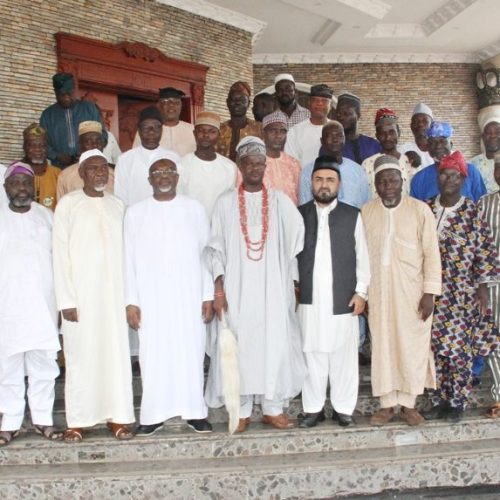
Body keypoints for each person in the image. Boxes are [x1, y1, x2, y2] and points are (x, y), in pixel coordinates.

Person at [205, 136, 306, 432]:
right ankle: (243, 409)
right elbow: (216, 249)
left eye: (260, 163)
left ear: (265, 166)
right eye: (249, 163)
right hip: (236, 289)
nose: (254, 168)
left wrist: (293, 283)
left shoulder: (279, 202)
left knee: (274, 343)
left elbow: (294, 246)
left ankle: (273, 408)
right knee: (240, 345)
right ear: (240, 166)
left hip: (273, 287)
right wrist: (219, 290)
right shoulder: (224, 203)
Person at [125, 155, 214, 435]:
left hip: (189, 296)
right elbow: (127, 259)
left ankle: (194, 412)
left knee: (191, 352)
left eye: (168, 171)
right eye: (157, 172)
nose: (163, 176)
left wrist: (207, 295)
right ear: (149, 180)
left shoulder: (195, 209)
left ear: (177, 177)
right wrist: (131, 301)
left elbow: (207, 256)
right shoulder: (135, 213)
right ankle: (153, 414)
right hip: (151, 299)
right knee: (153, 355)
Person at [53, 149, 135, 443]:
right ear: (82, 173)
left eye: (104, 169)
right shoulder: (68, 205)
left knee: (114, 355)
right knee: (80, 356)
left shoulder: (118, 205)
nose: (100, 173)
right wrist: (66, 301)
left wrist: (130, 298)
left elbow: (129, 255)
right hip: (80, 297)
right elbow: (59, 255)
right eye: (93, 169)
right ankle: (78, 420)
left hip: (114, 296)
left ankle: (119, 416)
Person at [362, 155, 442, 426]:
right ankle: (387, 405)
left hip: (413, 293)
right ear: (375, 184)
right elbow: (359, 257)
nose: (388, 186)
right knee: (383, 345)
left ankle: (408, 404)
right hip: (379, 292)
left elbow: (432, 254)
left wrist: (430, 292)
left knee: (411, 346)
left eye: (393, 180)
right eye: (382, 181)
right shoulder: (367, 212)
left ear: (402, 181)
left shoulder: (420, 210)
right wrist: (363, 294)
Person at [425, 151, 499, 423]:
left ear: (463, 179)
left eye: (455, 175)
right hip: (431, 291)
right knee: (434, 349)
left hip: (462, 292)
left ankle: (456, 401)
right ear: (438, 177)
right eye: (445, 174)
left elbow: (484, 250)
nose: (449, 180)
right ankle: (438, 399)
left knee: (458, 350)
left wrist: (481, 287)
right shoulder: (426, 207)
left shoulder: (471, 210)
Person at [297, 157, 370, 428]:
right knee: (312, 353)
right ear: (311, 183)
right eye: (318, 179)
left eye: (329, 180)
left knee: (343, 356)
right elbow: (291, 256)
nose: (324, 185)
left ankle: (343, 408)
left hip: (344, 297)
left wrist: (361, 292)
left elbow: (363, 257)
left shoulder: (353, 215)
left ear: (339, 184)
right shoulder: (300, 213)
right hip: (309, 299)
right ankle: (313, 409)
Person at [0, 162, 62, 447]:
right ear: (5, 188)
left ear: (34, 188)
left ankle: (42, 418)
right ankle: (10, 420)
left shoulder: (48, 217)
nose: (21, 188)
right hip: (7, 305)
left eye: (26, 183)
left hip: (42, 304)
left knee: (44, 365)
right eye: (15, 183)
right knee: (7, 366)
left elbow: (61, 261)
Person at [115, 106, 180, 207]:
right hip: (136, 217)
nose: (151, 132)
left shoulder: (173, 158)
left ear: (161, 130)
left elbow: (179, 190)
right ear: (139, 131)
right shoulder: (125, 159)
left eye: (156, 127)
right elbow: (120, 195)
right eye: (146, 128)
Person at [40, 72, 106, 168]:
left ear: (75, 90)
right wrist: (57, 156)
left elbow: (103, 136)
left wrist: (87, 152)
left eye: (69, 94)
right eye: (62, 95)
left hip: (89, 166)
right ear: (55, 93)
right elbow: (43, 143)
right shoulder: (47, 115)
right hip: (59, 168)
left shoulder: (89, 109)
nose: (66, 98)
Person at [178, 111, 237, 217]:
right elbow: (178, 201)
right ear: (194, 134)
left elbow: (231, 202)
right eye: (201, 131)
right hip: (190, 224)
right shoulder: (182, 165)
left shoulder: (229, 167)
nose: (206, 135)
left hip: (219, 228)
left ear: (219, 135)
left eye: (212, 131)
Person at [299, 121, 370, 209]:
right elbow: (305, 208)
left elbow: (366, 205)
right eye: (330, 136)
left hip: (352, 221)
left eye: (339, 136)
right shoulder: (308, 172)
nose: (335, 139)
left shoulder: (358, 170)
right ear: (322, 141)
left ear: (344, 139)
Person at [410, 121, 487, 202]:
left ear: (451, 144)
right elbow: (415, 210)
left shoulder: (470, 171)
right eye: (433, 142)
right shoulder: (420, 178)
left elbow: (482, 204)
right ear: (428, 148)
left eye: (442, 141)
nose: (438, 146)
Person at [479, 152, 500, 418]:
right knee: (495, 339)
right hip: (494, 283)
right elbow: (479, 245)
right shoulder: (484, 204)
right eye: (498, 168)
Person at [56, 121, 114, 200]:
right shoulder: (65, 176)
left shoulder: (112, 174)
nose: (94, 145)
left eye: (98, 141)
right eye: (88, 142)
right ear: (80, 145)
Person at [362, 108, 413, 197]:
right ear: (377, 136)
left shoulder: (411, 162)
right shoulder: (367, 165)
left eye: (391, 132)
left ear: (399, 133)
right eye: (382, 133)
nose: (387, 137)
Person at [132, 87, 196, 157]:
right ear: (158, 105)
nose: (171, 105)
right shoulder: (146, 131)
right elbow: (136, 156)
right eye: (166, 102)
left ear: (181, 106)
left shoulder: (192, 130)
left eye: (176, 102)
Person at [285, 84, 333, 167]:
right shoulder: (295, 131)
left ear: (330, 106)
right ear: (309, 103)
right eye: (315, 100)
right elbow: (291, 163)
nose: (319, 104)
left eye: (324, 101)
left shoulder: (337, 130)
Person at [259, 113, 301, 204]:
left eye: (283, 131)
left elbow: (299, 196)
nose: (278, 135)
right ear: (263, 133)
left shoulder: (294, 164)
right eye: (273, 131)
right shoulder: (253, 163)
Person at [215, 81, 262, 161]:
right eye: (233, 99)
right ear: (227, 102)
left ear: (248, 104)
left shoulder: (259, 129)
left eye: (242, 100)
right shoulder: (218, 130)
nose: (237, 103)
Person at [21, 123, 60, 210]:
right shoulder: (13, 173)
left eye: (42, 145)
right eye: (32, 145)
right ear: (24, 147)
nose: (38, 149)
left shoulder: (58, 174)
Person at [336, 92, 380, 164]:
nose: (341, 117)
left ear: (358, 115)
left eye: (346, 113)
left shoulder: (374, 145)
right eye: (338, 114)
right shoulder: (332, 146)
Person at [399, 103, 435, 170]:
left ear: (432, 125)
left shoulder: (440, 151)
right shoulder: (403, 150)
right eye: (416, 121)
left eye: (425, 121)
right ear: (411, 126)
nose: (420, 124)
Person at [470, 117, 500, 194]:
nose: (493, 136)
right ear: (483, 137)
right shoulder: (472, 165)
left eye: (498, 132)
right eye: (488, 132)